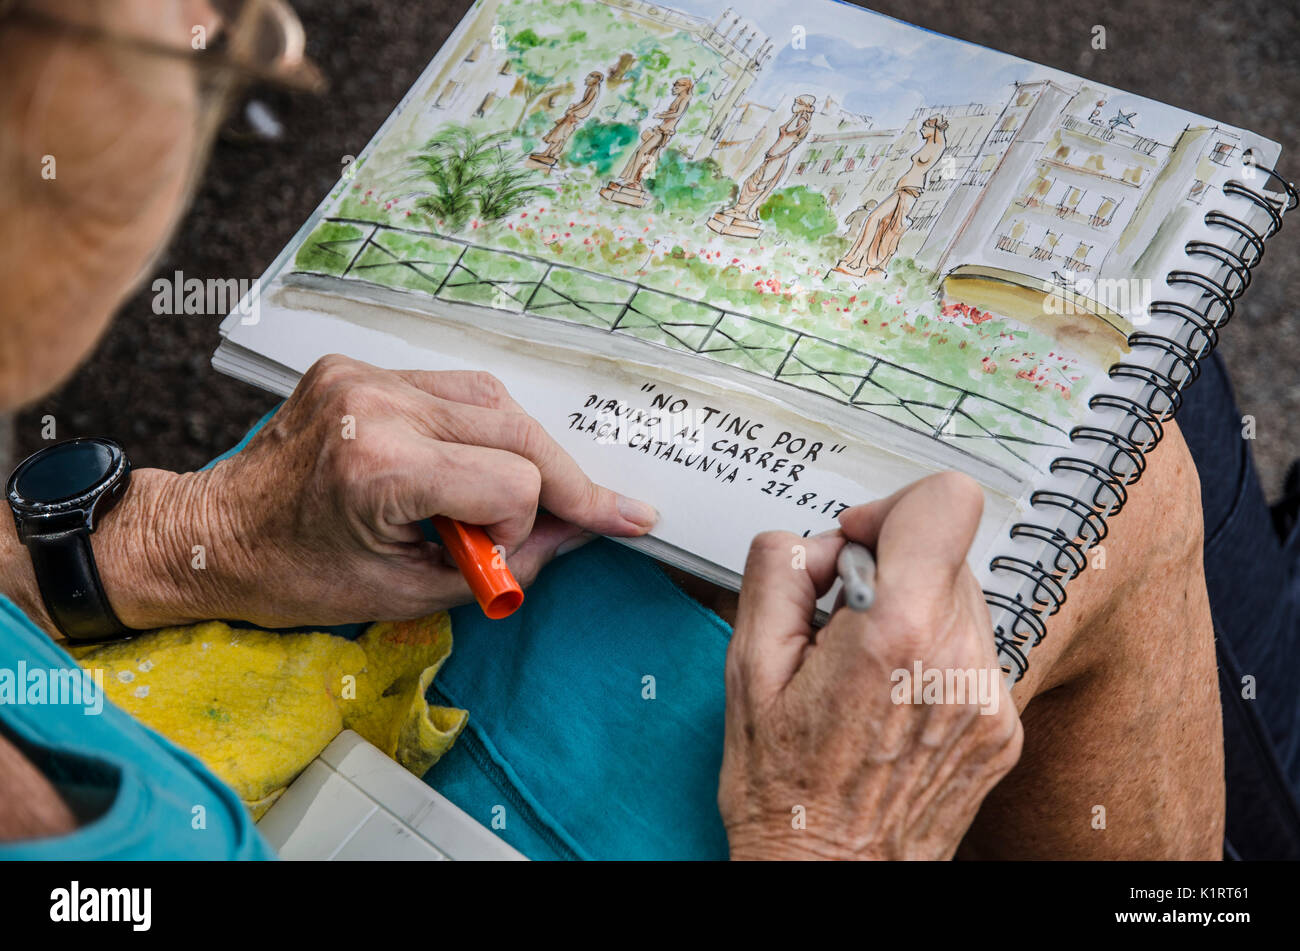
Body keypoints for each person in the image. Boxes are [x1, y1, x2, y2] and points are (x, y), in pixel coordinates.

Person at [0, 0, 1295, 861]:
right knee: (1118, 484)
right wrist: (834, 838)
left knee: (1106, 403)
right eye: (201, 39)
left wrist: (162, 538)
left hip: (315, 638)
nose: (221, 27)